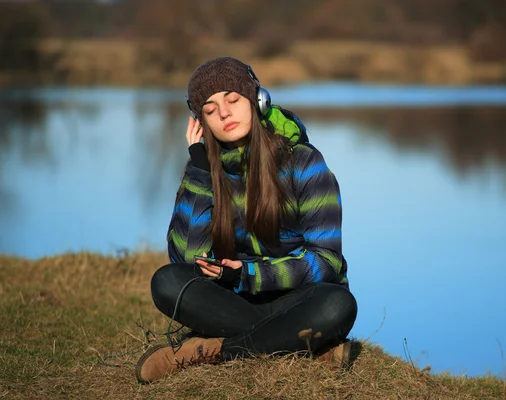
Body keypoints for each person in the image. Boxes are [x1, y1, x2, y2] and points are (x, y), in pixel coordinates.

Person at [135, 57, 358, 384]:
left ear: (257, 100)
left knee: (337, 304)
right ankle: (304, 346)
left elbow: (325, 261)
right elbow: (184, 258)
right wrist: (199, 169)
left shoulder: (305, 163)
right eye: (209, 110)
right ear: (200, 122)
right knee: (166, 282)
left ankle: (213, 351)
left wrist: (252, 275)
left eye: (232, 100)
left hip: (297, 298)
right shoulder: (204, 171)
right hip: (234, 300)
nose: (223, 112)